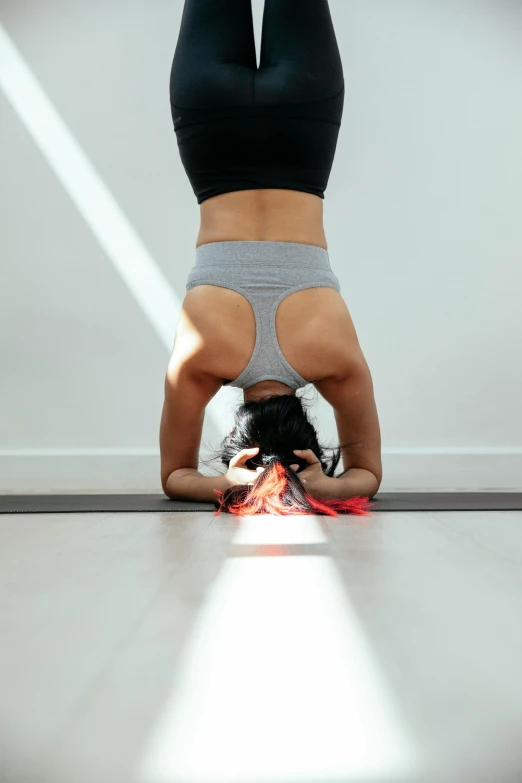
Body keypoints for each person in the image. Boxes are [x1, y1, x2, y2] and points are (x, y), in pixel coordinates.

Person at [160, 0, 381, 516]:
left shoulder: (336, 363)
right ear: (236, 438)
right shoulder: (199, 361)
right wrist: (237, 485)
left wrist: (316, 484)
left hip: (303, 126)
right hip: (209, 126)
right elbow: (174, 477)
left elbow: (367, 477)